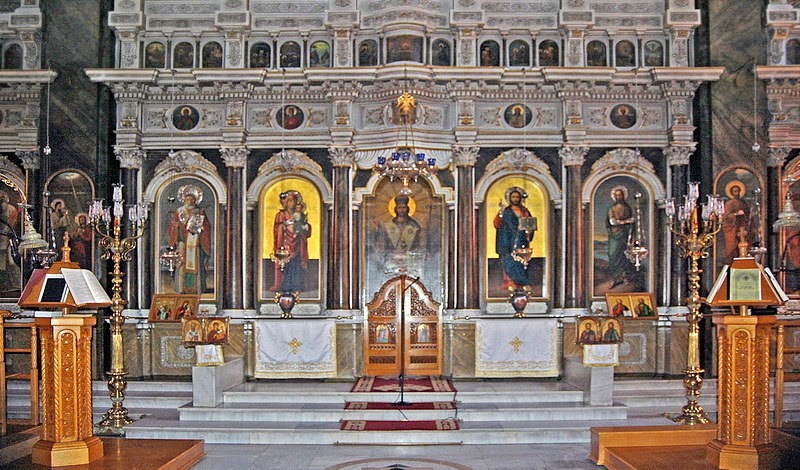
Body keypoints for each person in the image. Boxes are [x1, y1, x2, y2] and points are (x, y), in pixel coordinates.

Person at [169, 184, 212, 294]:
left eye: (192, 199)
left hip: (196, 243)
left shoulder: (199, 211)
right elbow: (173, 225)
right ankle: (182, 288)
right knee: (182, 265)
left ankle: (196, 288)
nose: (190, 201)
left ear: (195, 200)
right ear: (184, 200)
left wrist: (203, 227)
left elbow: (207, 224)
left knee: (196, 264)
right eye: (187, 199)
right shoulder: (180, 211)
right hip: (183, 243)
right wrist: (177, 226)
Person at [493, 187, 537, 290]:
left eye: (517, 197)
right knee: (508, 260)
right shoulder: (505, 211)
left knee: (520, 260)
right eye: (513, 197)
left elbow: (529, 225)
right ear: (509, 198)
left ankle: (522, 282)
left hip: (521, 240)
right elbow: (497, 224)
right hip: (507, 241)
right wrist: (500, 215)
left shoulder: (525, 211)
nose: (515, 199)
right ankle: (510, 282)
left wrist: (529, 231)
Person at [270, 190, 311, 292]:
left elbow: (305, 228)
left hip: (298, 244)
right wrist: (285, 225)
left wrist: (306, 227)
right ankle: (283, 285)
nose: (292, 203)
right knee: (285, 264)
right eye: (290, 201)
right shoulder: (281, 215)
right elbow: (277, 228)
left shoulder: (300, 214)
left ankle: (297, 285)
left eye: (294, 201)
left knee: (296, 264)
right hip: (285, 243)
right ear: (286, 202)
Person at [374, 194, 424, 275]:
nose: (402, 210)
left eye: (404, 207)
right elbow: (383, 246)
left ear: (408, 209)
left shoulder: (415, 226)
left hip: (410, 261)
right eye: (399, 207)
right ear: (395, 209)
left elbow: (419, 247)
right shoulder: (387, 226)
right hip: (392, 260)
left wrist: (409, 254)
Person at [606, 186, 635, 289]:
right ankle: (615, 278)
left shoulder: (628, 208)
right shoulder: (611, 209)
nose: (618, 197)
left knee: (624, 256)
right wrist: (626, 221)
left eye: (620, 195)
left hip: (625, 234)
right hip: (615, 235)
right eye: (616, 195)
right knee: (613, 254)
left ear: (623, 196)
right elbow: (612, 222)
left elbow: (632, 222)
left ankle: (624, 277)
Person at [722, 181, 750, 262]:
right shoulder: (729, 203)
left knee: (743, 244)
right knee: (732, 247)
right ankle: (730, 262)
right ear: (731, 192)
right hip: (732, 227)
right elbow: (726, 216)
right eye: (735, 191)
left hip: (742, 227)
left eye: (738, 191)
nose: (736, 193)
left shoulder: (743, 203)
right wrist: (736, 214)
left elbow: (748, 215)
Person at [0, 191, 19, 292]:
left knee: (9, 263)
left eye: (2, 200)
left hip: (7, 239)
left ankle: (9, 284)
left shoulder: (11, 209)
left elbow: (11, 225)